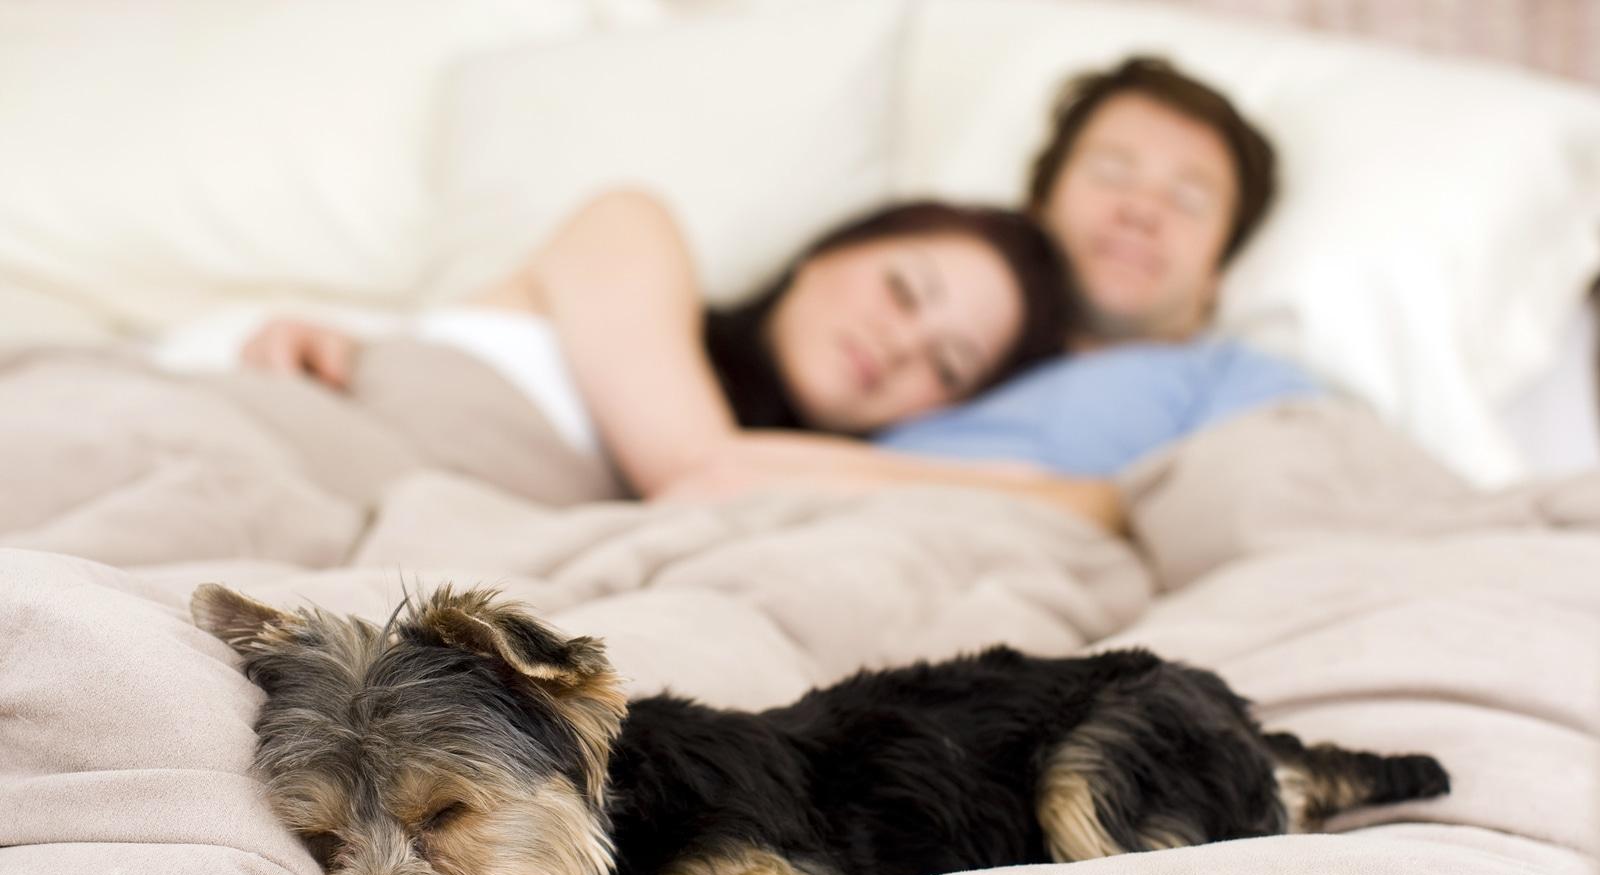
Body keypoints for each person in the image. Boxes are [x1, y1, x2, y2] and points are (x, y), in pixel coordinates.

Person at [241, 194, 1123, 530]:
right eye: (903, 289)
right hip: (266, 439)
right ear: (829, 251)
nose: (899, 346)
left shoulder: (779, 490)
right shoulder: (638, 227)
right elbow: (702, 468)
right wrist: (1049, 492)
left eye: (949, 363)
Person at [878, 56, 1323, 476]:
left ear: (1217, 272)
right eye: (1112, 172)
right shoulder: (934, 348)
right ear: (1038, 204)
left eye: (1188, 201)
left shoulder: (1248, 387)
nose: (1142, 210)